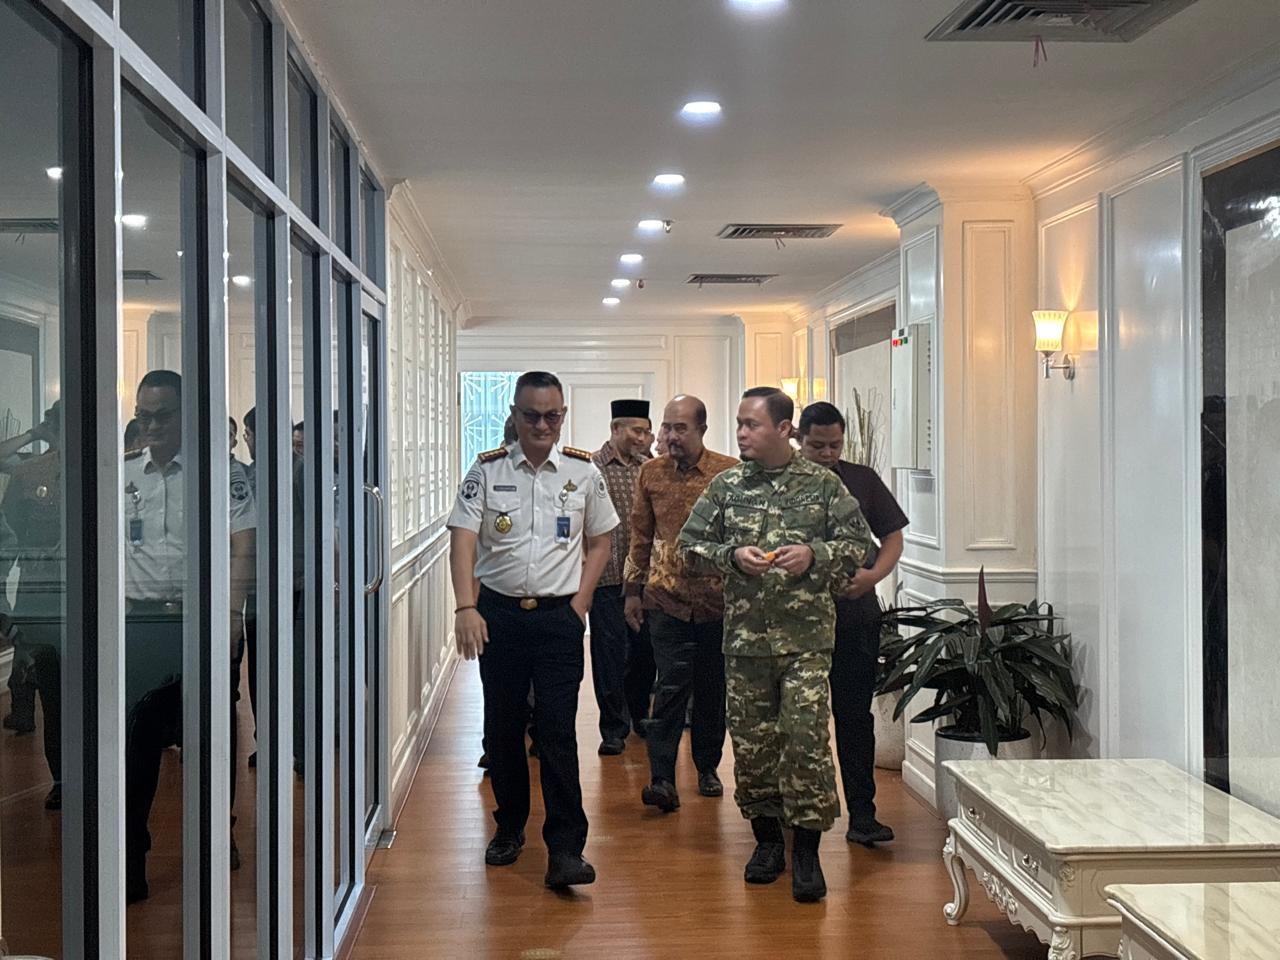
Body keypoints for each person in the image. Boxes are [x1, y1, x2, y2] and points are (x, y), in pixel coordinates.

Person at [678, 386, 872, 904]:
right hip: (745, 644)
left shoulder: (824, 486)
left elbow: (860, 546)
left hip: (806, 642)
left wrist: (815, 554)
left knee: (805, 741)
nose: (741, 433)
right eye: (739, 423)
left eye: (752, 424)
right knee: (754, 746)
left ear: (784, 429)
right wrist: (729, 555)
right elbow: (688, 548)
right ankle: (767, 842)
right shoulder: (726, 486)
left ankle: (807, 850)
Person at [447, 371, 618, 889]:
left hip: (558, 619)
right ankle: (509, 827)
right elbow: (462, 537)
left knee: (557, 731)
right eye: (531, 415)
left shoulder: (583, 472)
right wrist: (465, 606)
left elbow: (602, 539)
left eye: (551, 416)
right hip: (498, 616)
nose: (542, 425)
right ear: (515, 415)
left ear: (562, 415)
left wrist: (581, 602)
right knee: (503, 728)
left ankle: (566, 849)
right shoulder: (486, 469)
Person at [123, 370, 255, 902]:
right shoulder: (123, 473)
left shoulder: (219, 472)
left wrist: (230, 619)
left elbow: (243, 547)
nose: (151, 426)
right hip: (140, 626)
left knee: (210, 737)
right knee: (135, 745)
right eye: (144, 416)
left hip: (201, 624)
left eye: (163, 416)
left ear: (186, 416)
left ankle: (216, 833)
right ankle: (130, 855)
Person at [797, 401, 908, 846]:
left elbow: (893, 536)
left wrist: (873, 576)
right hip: (799, 621)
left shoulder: (862, 479)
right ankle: (795, 817)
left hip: (855, 616)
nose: (827, 454)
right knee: (798, 720)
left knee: (855, 717)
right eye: (817, 446)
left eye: (835, 445)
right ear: (798, 439)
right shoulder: (782, 483)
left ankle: (863, 814)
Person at [624, 394, 736, 812]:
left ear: (701, 430)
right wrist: (631, 592)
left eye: (680, 428)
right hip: (665, 599)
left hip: (717, 603)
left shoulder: (728, 473)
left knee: (711, 689)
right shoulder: (650, 473)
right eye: (666, 427)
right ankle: (662, 779)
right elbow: (640, 535)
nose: (670, 436)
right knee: (669, 687)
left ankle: (707, 767)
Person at [0, 401, 65, 807]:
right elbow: (6, 542)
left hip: (105, 603)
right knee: (54, 698)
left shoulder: (116, 471)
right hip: (43, 601)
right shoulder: (28, 474)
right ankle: (65, 780)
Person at [588, 398, 651, 756]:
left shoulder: (650, 468)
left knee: (644, 653)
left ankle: (641, 715)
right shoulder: (592, 467)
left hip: (644, 579)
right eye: (636, 431)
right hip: (607, 577)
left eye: (646, 432)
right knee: (609, 655)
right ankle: (613, 728)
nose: (642, 438)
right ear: (615, 429)